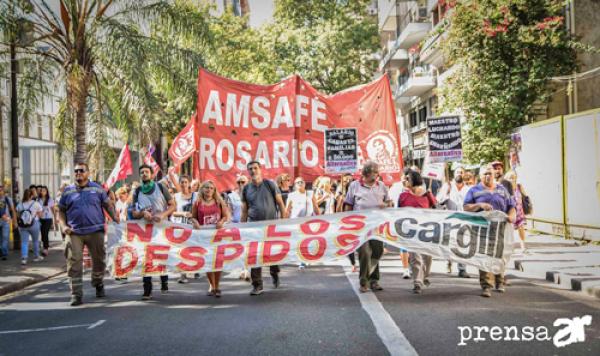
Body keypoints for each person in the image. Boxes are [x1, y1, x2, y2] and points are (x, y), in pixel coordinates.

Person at [58, 162, 118, 306]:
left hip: (95, 231)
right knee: (74, 263)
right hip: (74, 233)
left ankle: (98, 283)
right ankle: (76, 294)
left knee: (99, 261)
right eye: (76, 171)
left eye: (81, 171)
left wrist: (116, 219)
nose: (78, 173)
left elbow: (107, 205)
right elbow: (61, 211)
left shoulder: (98, 189)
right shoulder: (67, 192)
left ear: (88, 173)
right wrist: (63, 226)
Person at [464, 164, 516, 298]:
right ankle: (486, 286)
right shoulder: (474, 190)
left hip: (500, 229)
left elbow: (511, 206)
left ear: (494, 175)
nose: (487, 176)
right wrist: (479, 205)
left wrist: (512, 216)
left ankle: (500, 282)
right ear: (480, 176)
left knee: (499, 255)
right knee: (484, 256)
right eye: (485, 174)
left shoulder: (502, 189)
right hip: (482, 229)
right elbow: (466, 207)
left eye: (490, 173)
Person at [344, 161, 393, 293]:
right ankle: (365, 281)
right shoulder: (354, 186)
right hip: (360, 227)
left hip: (377, 226)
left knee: (378, 251)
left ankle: (373, 279)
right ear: (367, 173)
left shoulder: (381, 186)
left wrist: (386, 205)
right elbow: (348, 205)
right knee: (364, 252)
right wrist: (348, 223)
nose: (378, 174)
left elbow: (390, 203)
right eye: (375, 172)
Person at [241, 160, 287, 296]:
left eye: (255, 168)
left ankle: (275, 273)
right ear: (248, 172)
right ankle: (257, 285)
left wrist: (283, 223)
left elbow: (281, 205)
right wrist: (242, 228)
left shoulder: (270, 184)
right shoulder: (246, 189)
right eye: (250, 169)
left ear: (260, 169)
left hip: (271, 227)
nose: (253, 171)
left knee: (273, 254)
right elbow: (244, 211)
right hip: (253, 228)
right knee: (255, 255)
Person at [131, 164, 176, 300]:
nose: (144, 174)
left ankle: (164, 279)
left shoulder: (161, 187)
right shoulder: (137, 191)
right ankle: (147, 289)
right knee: (146, 257)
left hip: (162, 228)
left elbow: (173, 205)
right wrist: (142, 213)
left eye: (146, 172)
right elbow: (133, 212)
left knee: (161, 255)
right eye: (142, 172)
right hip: (145, 230)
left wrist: (163, 215)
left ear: (151, 174)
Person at [399, 170, 437, 294]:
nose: (405, 180)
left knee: (427, 257)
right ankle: (417, 282)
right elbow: (398, 213)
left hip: (426, 230)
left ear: (415, 180)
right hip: (411, 231)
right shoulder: (403, 196)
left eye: (408, 178)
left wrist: (430, 195)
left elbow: (436, 209)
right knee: (415, 257)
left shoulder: (427, 194)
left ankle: (425, 275)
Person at [191, 180, 230, 297]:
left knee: (218, 261)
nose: (209, 190)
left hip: (218, 236)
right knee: (207, 261)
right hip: (204, 237)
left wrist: (222, 221)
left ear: (214, 190)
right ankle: (212, 285)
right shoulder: (197, 203)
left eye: (211, 188)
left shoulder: (219, 201)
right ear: (202, 189)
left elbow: (226, 216)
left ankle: (217, 286)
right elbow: (192, 217)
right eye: (206, 187)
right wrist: (195, 222)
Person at [436, 167, 471, 278]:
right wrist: (445, 194)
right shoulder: (448, 186)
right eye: (457, 172)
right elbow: (438, 200)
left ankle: (462, 269)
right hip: (450, 220)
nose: (459, 173)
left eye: (461, 172)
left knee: (463, 245)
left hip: (464, 220)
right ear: (453, 174)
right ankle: (449, 261)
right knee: (450, 244)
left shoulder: (468, 189)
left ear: (464, 174)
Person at [286, 176, 320, 270]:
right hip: (296, 222)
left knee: (308, 240)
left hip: (308, 222)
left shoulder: (310, 193)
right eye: (298, 182)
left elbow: (316, 207)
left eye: (302, 182)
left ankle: (305, 258)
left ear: (305, 184)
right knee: (299, 241)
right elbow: (287, 210)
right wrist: (284, 222)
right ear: (295, 185)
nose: (300, 183)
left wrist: (320, 218)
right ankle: (301, 260)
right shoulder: (291, 195)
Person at [171, 175, 198, 284]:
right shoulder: (176, 196)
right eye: (181, 182)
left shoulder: (196, 196)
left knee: (193, 249)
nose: (183, 184)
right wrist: (183, 213)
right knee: (181, 250)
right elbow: (172, 211)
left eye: (185, 182)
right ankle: (183, 274)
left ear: (189, 183)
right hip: (180, 227)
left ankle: (196, 267)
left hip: (193, 226)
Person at [336, 174, 357, 272]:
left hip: (357, 221)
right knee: (349, 244)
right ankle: (353, 263)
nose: (348, 181)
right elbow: (338, 211)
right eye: (345, 181)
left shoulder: (357, 194)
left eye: (350, 180)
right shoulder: (342, 196)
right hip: (346, 223)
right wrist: (340, 201)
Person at [17, 188, 43, 265]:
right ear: (32, 195)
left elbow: (18, 214)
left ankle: (24, 259)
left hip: (23, 225)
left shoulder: (20, 204)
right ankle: (36, 256)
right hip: (34, 224)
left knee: (24, 242)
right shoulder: (36, 203)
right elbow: (40, 215)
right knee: (35, 241)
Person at [505, 171, 529, 251]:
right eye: (510, 177)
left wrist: (528, 207)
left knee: (521, 228)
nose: (512, 179)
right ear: (507, 179)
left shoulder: (519, 186)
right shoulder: (505, 188)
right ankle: (509, 247)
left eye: (513, 177)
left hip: (519, 213)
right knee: (509, 231)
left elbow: (525, 197)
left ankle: (523, 247)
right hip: (510, 214)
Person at [0, 184, 17, 261]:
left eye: (1, 189)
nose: (0, 191)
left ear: (3, 190)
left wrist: (14, 221)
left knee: (5, 237)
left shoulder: (8, 199)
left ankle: (4, 253)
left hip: (6, 220)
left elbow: (13, 210)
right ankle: (2, 251)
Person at [37, 186, 54, 257]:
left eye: (44, 191)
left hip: (48, 219)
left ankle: (45, 248)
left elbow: (53, 209)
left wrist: (54, 220)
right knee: (43, 233)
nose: (43, 192)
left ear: (47, 192)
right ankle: (44, 246)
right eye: (42, 191)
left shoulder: (50, 200)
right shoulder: (38, 200)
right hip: (40, 219)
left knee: (45, 232)